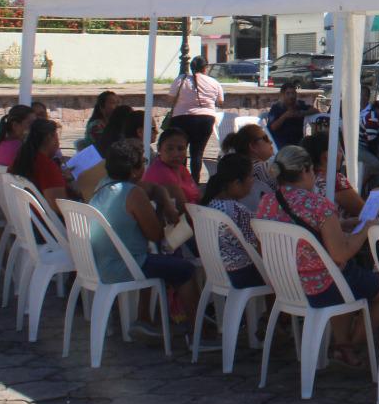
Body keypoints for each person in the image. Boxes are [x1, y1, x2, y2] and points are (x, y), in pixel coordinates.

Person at [254, 145, 379, 367]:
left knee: (344, 278)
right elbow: (341, 252)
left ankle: (342, 343)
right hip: (320, 286)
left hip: (285, 284)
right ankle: (349, 345)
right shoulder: (318, 204)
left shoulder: (267, 202)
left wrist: (340, 224)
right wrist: (366, 229)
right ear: (306, 170)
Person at [87, 138, 199, 330]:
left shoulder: (103, 184)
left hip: (98, 261)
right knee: (185, 269)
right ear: (134, 170)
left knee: (150, 258)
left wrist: (163, 200)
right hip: (121, 266)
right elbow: (155, 235)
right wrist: (160, 213)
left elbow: (155, 188)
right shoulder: (133, 193)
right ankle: (200, 331)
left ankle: (144, 318)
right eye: (144, 162)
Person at [201, 153, 264, 289]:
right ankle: (273, 311)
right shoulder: (237, 210)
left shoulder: (208, 203)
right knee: (279, 276)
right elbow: (258, 242)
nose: (253, 181)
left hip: (216, 269)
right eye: (251, 176)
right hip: (239, 272)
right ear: (237, 183)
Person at [169, 56, 224, 183]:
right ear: (206, 67)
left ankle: (181, 180)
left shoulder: (181, 79)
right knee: (197, 153)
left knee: (180, 150)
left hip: (181, 118)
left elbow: (171, 99)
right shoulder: (214, 82)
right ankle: (195, 182)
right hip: (206, 119)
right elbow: (220, 102)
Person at [9, 118, 70, 209]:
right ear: (50, 137)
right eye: (57, 136)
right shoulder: (46, 166)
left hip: (27, 216)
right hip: (49, 220)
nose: (58, 142)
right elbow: (58, 206)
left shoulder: (20, 160)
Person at [300, 132, 365, 216]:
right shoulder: (334, 180)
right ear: (327, 156)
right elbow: (362, 211)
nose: (342, 153)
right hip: (335, 227)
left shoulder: (303, 179)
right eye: (339, 149)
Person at [144, 127, 202, 209]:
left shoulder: (179, 167)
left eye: (181, 149)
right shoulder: (162, 173)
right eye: (170, 149)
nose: (175, 154)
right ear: (159, 149)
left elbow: (198, 195)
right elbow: (183, 209)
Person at [223, 123, 278, 209]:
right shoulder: (268, 168)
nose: (270, 142)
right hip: (268, 217)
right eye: (265, 139)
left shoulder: (231, 168)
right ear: (252, 146)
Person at [266, 82, 312, 150]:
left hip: (298, 142)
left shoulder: (299, 105)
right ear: (283, 95)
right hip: (282, 143)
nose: (291, 96)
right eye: (288, 93)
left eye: (293, 93)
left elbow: (315, 110)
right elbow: (272, 127)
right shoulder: (277, 108)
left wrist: (301, 113)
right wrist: (284, 116)